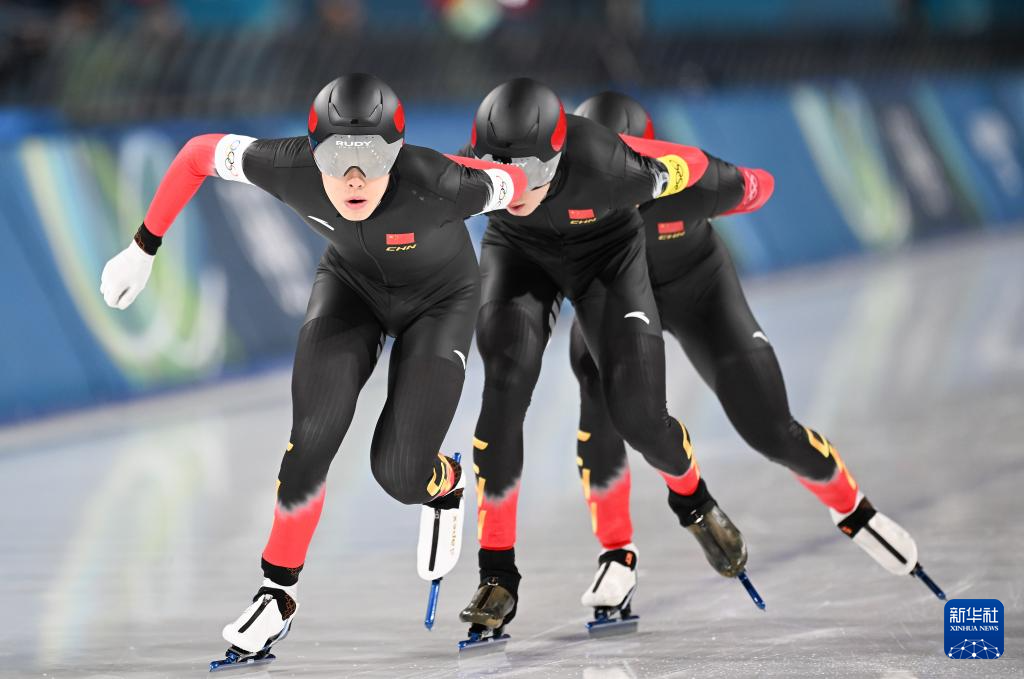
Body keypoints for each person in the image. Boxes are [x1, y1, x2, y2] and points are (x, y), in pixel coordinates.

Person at [98, 73, 527, 667]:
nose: (353, 178)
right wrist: (143, 247)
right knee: (311, 440)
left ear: (397, 152)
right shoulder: (287, 166)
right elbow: (198, 154)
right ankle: (277, 592)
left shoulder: (442, 182)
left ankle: (444, 482)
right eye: (336, 158)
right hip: (350, 290)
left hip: (441, 303)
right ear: (312, 151)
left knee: (400, 474)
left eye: (372, 159)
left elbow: (521, 180)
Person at [568, 91, 943, 619]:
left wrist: (731, 181)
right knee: (600, 404)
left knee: (770, 430)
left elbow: (759, 185)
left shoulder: (686, 184)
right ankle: (616, 554)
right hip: (618, 302)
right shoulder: (566, 198)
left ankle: (853, 510)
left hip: (700, 295)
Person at [457, 78, 751, 641]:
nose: (515, 186)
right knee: (503, 391)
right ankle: (497, 574)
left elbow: (694, 167)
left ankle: (693, 500)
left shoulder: (610, 163)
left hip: (605, 259)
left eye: (532, 170)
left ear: (558, 155)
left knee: (639, 417)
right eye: (500, 170)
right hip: (519, 255)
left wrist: (751, 186)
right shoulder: (470, 169)